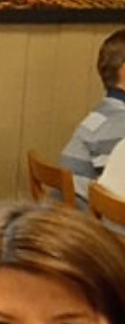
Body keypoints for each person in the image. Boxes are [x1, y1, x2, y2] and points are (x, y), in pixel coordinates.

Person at [60, 28, 125, 201]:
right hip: (88, 215)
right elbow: (117, 199)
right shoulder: (119, 126)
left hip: (71, 209)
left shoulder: (105, 113)